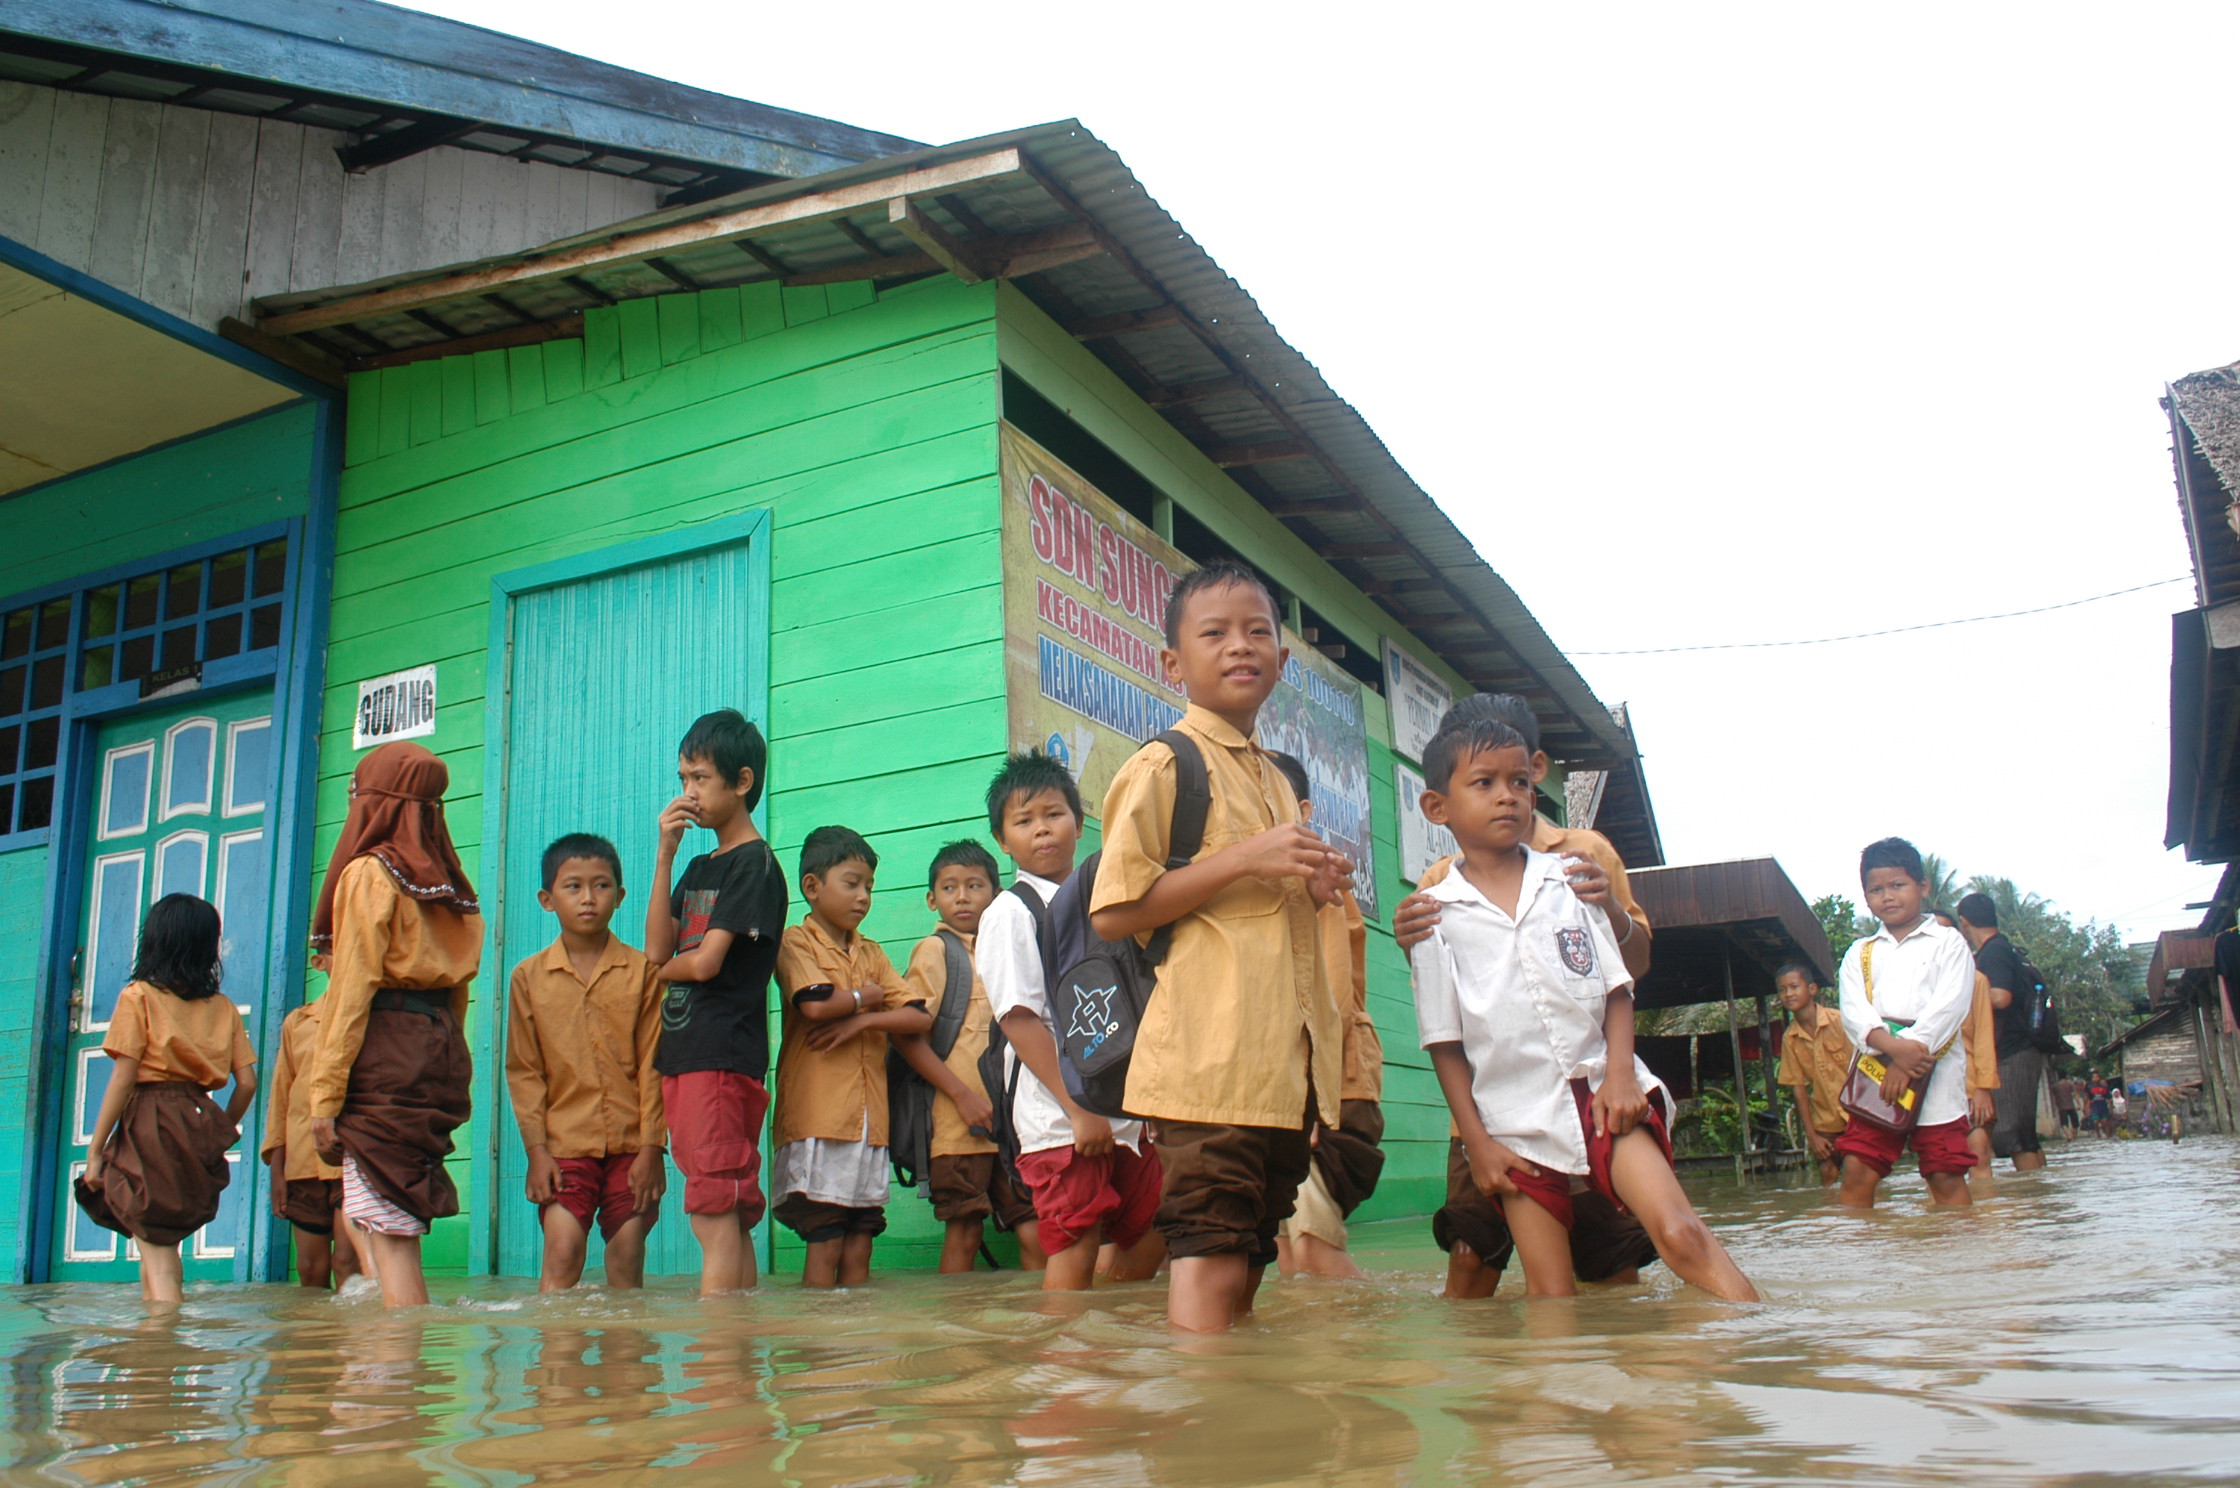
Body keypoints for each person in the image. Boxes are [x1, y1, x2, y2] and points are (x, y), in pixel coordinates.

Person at [1408, 710, 1756, 1301]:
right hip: (1509, 1122)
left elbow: (1617, 987)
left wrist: (1621, 1078)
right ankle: (1565, 1391)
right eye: (1485, 783)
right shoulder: (1433, 912)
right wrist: (1479, 1144)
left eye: (1520, 782)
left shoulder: (1573, 877)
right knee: (1550, 1294)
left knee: (1680, 1234)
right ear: (1438, 808)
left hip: (1602, 1097)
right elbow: (1444, 1042)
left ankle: (1761, 1343)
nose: (1508, 798)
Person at [1089, 560, 1354, 1333]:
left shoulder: (1275, 779)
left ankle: (1237, 1441)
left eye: (1257, 632)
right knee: (1206, 1261)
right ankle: (1198, 1443)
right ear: (1174, 663)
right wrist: (1245, 857)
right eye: (1215, 634)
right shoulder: (1166, 763)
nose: (1240, 647)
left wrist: (1308, 881)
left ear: (1282, 657)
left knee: (1246, 1274)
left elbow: (1256, 909)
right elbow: (1115, 912)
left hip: (1277, 1073)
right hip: (1206, 1065)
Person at [1392, 693, 1659, 1298]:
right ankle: (1490, 1387)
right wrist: (1408, 940)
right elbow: (1446, 999)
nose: (1500, 792)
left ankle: (1619, 1384)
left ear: (1534, 768)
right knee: (1471, 1252)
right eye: (1478, 777)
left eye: (1511, 773)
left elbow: (1634, 963)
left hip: (1582, 1094)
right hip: (1494, 1113)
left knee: (1611, 1260)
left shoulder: (1585, 854)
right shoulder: (1443, 879)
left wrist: (1609, 910)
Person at [978, 751, 1165, 1293]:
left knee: (1158, 1225)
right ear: (1002, 839)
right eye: (1024, 820)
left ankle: (1113, 1350)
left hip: (1128, 1113)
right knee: (1075, 1243)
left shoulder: (1108, 907)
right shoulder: (1009, 913)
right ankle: (1068, 1368)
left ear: (1080, 825)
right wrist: (1079, 1109)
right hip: (1062, 1116)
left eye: (1054, 814)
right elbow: (1019, 1020)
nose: (1042, 830)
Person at [305, 740, 482, 1308]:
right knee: (393, 1217)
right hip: (437, 1049)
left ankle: (391, 1385)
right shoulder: (449, 884)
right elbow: (458, 994)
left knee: (387, 1231)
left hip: (382, 1048)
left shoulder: (369, 873)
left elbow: (352, 989)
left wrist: (325, 1097)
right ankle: (384, 1378)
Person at [645, 708, 787, 1297]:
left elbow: (701, 963)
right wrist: (665, 854)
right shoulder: (703, 865)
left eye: (700, 778)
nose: (689, 793)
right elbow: (658, 944)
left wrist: (654, 974)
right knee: (724, 1208)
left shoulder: (754, 863)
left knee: (713, 1208)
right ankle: (735, 1365)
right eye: (683, 779)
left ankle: (718, 1363)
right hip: (690, 1053)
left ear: (743, 781)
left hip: (722, 1058)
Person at [76, 894, 258, 1305]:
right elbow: (246, 1083)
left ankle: (162, 1347)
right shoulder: (223, 1007)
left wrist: (96, 1150)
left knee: (156, 1248)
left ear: (155, 941)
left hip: (150, 1118)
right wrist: (221, 1130)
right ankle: (152, 1355)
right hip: (198, 1115)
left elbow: (123, 1079)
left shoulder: (139, 996)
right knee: (158, 1240)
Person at [505, 834, 666, 1292]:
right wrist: (536, 1153)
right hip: (562, 1145)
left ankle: (627, 1363)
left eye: (601, 886)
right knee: (562, 1252)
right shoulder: (528, 978)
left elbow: (655, 1064)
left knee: (627, 1254)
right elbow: (524, 1070)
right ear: (547, 899)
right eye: (573, 886)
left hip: (632, 1144)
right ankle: (557, 1362)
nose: (589, 898)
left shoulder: (643, 973)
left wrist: (653, 1149)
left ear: (620, 896)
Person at [771, 826, 928, 1288]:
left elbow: (918, 1018)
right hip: (819, 1119)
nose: (863, 897)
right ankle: (820, 1351)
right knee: (826, 1238)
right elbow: (816, 1005)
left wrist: (861, 1019)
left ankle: (858, 1351)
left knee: (861, 1239)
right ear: (812, 887)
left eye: (869, 887)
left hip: (868, 1124)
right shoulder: (795, 942)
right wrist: (868, 997)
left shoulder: (871, 952)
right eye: (852, 882)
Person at [889, 839, 1045, 1274]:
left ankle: (1045, 1335)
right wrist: (962, 1096)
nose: (961, 897)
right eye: (949, 887)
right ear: (931, 898)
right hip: (957, 1126)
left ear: (996, 896)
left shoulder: (1010, 950)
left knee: (1034, 1226)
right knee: (964, 1229)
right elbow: (907, 1035)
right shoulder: (936, 951)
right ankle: (958, 1343)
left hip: (1014, 1125)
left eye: (975, 886)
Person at [1267, 751, 1383, 1282]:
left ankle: (1360, 1356)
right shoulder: (1262, 878)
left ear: (1305, 810)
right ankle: (1315, 1361)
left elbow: (1329, 994)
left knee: (1312, 1247)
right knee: (1287, 1252)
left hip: (1332, 1090)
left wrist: (1314, 1101)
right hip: (1286, 1090)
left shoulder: (1318, 875)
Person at [1833, 838, 1978, 1209]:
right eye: (1876, 889)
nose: (1888, 897)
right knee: (1857, 1169)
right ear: (1866, 896)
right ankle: (1859, 1261)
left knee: (1945, 1173)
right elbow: (1854, 1014)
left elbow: (1949, 1008)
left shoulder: (1949, 943)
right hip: (1876, 1078)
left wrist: (1907, 1059)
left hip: (1938, 1078)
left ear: (1923, 887)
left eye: (1898, 885)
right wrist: (1896, 1053)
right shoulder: (1859, 953)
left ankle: (1969, 1260)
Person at [261, 993, 361, 1288]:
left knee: (346, 1261)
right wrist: (278, 1172)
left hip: (350, 1158)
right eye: (331, 949)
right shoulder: (299, 1021)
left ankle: (351, 1334)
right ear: (319, 963)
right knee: (309, 1267)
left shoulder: (366, 1011)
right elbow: (281, 1096)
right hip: (304, 1162)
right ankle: (315, 1336)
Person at [1954, 892, 2048, 1174]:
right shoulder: (2001, 949)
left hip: (2012, 1050)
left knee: (2014, 1135)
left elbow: (2001, 997)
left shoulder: (1993, 951)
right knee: (2021, 1133)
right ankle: (2040, 1194)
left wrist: (1962, 995)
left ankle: (2033, 1202)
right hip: (2017, 1049)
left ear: (1964, 923)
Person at [1929, 908, 2001, 1174]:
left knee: (1979, 1155)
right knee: (1938, 1165)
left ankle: (1986, 1213)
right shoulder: (1911, 985)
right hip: (1930, 1086)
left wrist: (1984, 1089)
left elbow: (1983, 1037)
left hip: (1969, 1085)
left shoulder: (1976, 981)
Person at [1773, 961, 1851, 1185]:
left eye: (1794, 986)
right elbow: (1799, 1090)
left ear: (1812, 989)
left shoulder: (1840, 1021)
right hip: (1825, 1121)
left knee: (1863, 1172)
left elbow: (1865, 1065)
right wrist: (1812, 1135)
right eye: (1783, 990)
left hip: (1858, 1114)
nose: (1788, 994)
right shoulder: (1790, 1039)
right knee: (1827, 1172)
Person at [2087, 1068, 2113, 1137]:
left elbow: (2109, 1098)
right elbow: (2088, 1099)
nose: (2095, 1078)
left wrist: (2111, 1108)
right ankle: (2098, 1135)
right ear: (2092, 1079)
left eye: (2097, 1077)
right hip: (2095, 1106)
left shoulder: (2104, 1087)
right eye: (2094, 1077)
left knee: (2105, 1122)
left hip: (2103, 1105)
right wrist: (2088, 1109)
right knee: (2095, 1121)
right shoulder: (2090, 1087)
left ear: (2099, 1078)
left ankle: (2108, 1136)